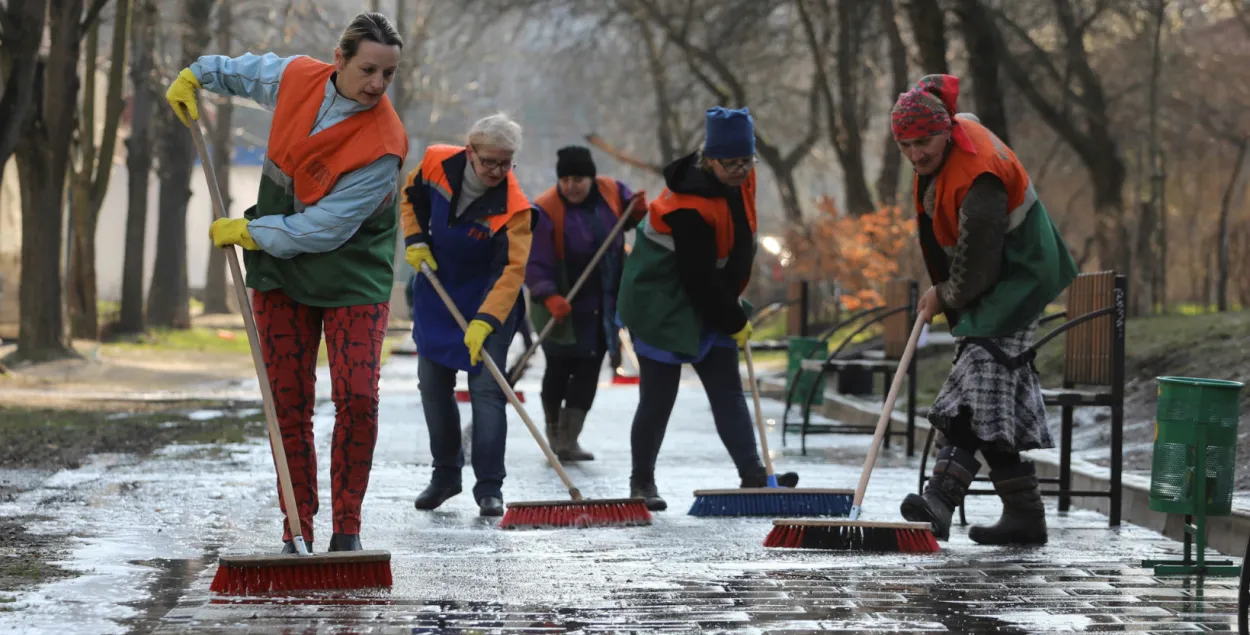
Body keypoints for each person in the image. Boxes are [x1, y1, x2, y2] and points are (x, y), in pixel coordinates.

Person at [164, 12, 408, 553]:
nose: (377, 85)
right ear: (338, 59)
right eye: (368, 69)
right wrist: (198, 74)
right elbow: (249, 75)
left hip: (352, 276)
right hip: (281, 273)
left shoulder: (384, 145)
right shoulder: (299, 77)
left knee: (358, 398)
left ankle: (348, 528)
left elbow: (323, 229)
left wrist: (251, 231)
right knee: (287, 404)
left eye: (388, 75)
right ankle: (296, 528)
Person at [891, 75, 1077, 546]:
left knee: (975, 386)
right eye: (905, 145)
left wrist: (944, 294)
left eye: (924, 142)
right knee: (993, 394)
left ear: (946, 130)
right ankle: (1025, 516)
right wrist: (947, 292)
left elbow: (978, 269)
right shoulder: (947, 151)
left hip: (1020, 279)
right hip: (996, 282)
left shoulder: (981, 177)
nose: (916, 154)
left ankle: (939, 499)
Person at [616, 107, 798, 511]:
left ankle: (753, 473)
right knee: (658, 398)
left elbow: (736, 247)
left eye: (746, 161)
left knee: (727, 389)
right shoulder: (685, 206)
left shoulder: (742, 183)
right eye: (729, 163)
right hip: (658, 301)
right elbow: (697, 276)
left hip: (707, 295)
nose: (739, 170)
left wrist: (733, 305)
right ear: (709, 159)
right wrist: (733, 319)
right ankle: (641, 481)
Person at [401, 113, 533, 517]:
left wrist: (485, 321)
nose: (497, 171)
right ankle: (445, 477)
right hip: (438, 289)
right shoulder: (435, 164)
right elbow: (410, 198)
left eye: (506, 162)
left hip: (489, 300)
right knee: (432, 384)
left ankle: (490, 487)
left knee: (487, 391)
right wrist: (416, 239)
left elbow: (511, 272)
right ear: (469, 151)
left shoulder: (515, 209)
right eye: (489, 161)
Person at [527, 146, 647, 462]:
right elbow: (536, 259)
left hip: (602, 300)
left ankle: (570, 439)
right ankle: (554, 432)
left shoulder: (611, 191)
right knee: (558, 366)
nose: (572, 186)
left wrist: (637, 210)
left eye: (579, 178)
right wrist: (547, 294)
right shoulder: (545, 208)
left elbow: (631, 216)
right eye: (565, 179)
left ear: (592, 178)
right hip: (561, 297)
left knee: (589, 368)